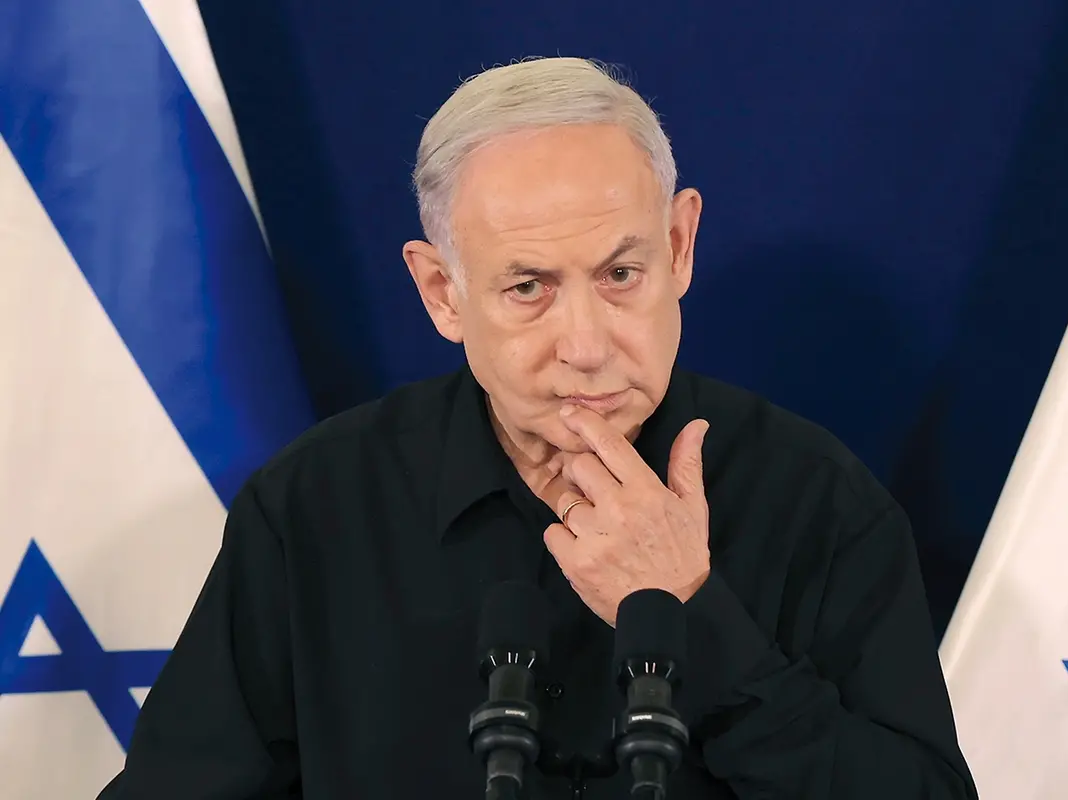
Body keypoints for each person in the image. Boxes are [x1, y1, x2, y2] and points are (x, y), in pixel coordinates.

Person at [98, 56, 978, 799]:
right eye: (529, 289)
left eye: (622, 273)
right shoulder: (314, 508)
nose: (587, 346)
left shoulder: (817, 502)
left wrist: (693, 623)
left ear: (679, 247)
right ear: (442, 291)